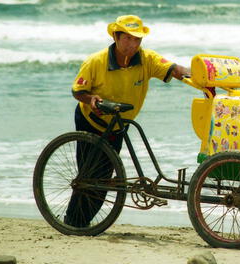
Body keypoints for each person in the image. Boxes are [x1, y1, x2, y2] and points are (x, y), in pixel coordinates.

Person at [64, 15, 190, 227]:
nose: (133, 45)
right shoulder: (96, 62)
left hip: (118, 124)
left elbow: (175, 70)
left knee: (103, 177)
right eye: (128, 39)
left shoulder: (147, 59)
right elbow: (78, 91)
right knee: (90, 177)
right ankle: (74, 223)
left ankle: (77, 223)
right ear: (116, 36)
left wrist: (201, 77)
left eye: (137, 40)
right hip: (91, 121)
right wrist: (91, 99)